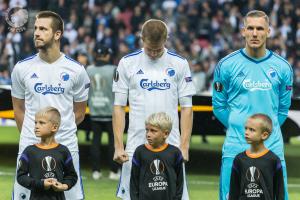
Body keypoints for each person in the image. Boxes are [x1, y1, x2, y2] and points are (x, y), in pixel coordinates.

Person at [212, 10, 292, 200]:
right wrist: (239, 128)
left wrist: (264, 133)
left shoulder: (282, 67)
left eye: (259, 28)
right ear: (243, 31)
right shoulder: (226, 65)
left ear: (268, 32)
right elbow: (219, 106)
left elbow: (282, 109)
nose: (255, 33)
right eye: (250, 28)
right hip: (235, 147)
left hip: (272, 148)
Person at [112, 19, 195, 199]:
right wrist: (118, 146)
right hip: (135, 145)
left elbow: (187, 108)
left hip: (171, 145)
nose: (154, 53)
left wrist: (184, 146)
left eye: (158, 49)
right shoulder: (127, 63)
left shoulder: (179, 64)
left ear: (167, 39)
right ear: (142, 39)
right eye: (150, 49)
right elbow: (118, 107)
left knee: (173, 195)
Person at [11, 11, 90, 200]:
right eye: (36, 28)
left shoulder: (77, 71)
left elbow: (79, 113)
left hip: (66, 146)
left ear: (57, 34)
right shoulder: (22, 68)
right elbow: (18, 110)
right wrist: (35, 139)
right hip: (30, 144)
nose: (36, 33)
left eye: (43, 29)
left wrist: (56, 137)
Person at [17, 106, 78, 200]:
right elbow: (21, 177)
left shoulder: (63, 151)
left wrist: (64, 186)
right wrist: (41, 184)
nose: (36, 126)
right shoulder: (29, 151)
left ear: (54, 127)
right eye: (35, 122)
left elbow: (72, 175)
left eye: (41, 123)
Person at [229, 114, 284, 200]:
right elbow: (233, 190)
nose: (246, 132)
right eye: (246, 128)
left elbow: (280, 191)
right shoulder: (239, 159)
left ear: (264, 135)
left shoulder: (273, 160)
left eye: (252, 130)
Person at [130, 112, 183, 200]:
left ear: (165, 134)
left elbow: (180, 182)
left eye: (153, 131)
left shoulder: (175, 153)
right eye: (147, 130)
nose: (148, 134)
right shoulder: (140, 152)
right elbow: (134, 182)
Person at [86, 43, 120, 180]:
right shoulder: (114, 69)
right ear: (107, 55)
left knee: (95, 142)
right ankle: (113, 171)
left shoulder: (88, 70)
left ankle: (96, 171)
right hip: (110, 112)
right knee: (113, 142)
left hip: (94, 111)